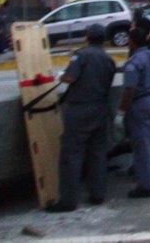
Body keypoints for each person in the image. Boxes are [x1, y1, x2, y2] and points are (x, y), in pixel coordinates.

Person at [46, 24, 116, 212]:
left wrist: (60, 75)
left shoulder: (82, 55)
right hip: (100, 109)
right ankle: (97, 193)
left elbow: (70, 78)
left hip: (80, 110)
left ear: (87, 37)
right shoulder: (109, 59)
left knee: (72, 154)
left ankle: (68, 200)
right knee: (98, 154)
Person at [120, 28, 150, 198]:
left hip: (140, 103)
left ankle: (145, 185)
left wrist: (121, 111)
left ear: (131, 42)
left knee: (142, 146)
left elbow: (129, 89)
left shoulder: (133, 62)